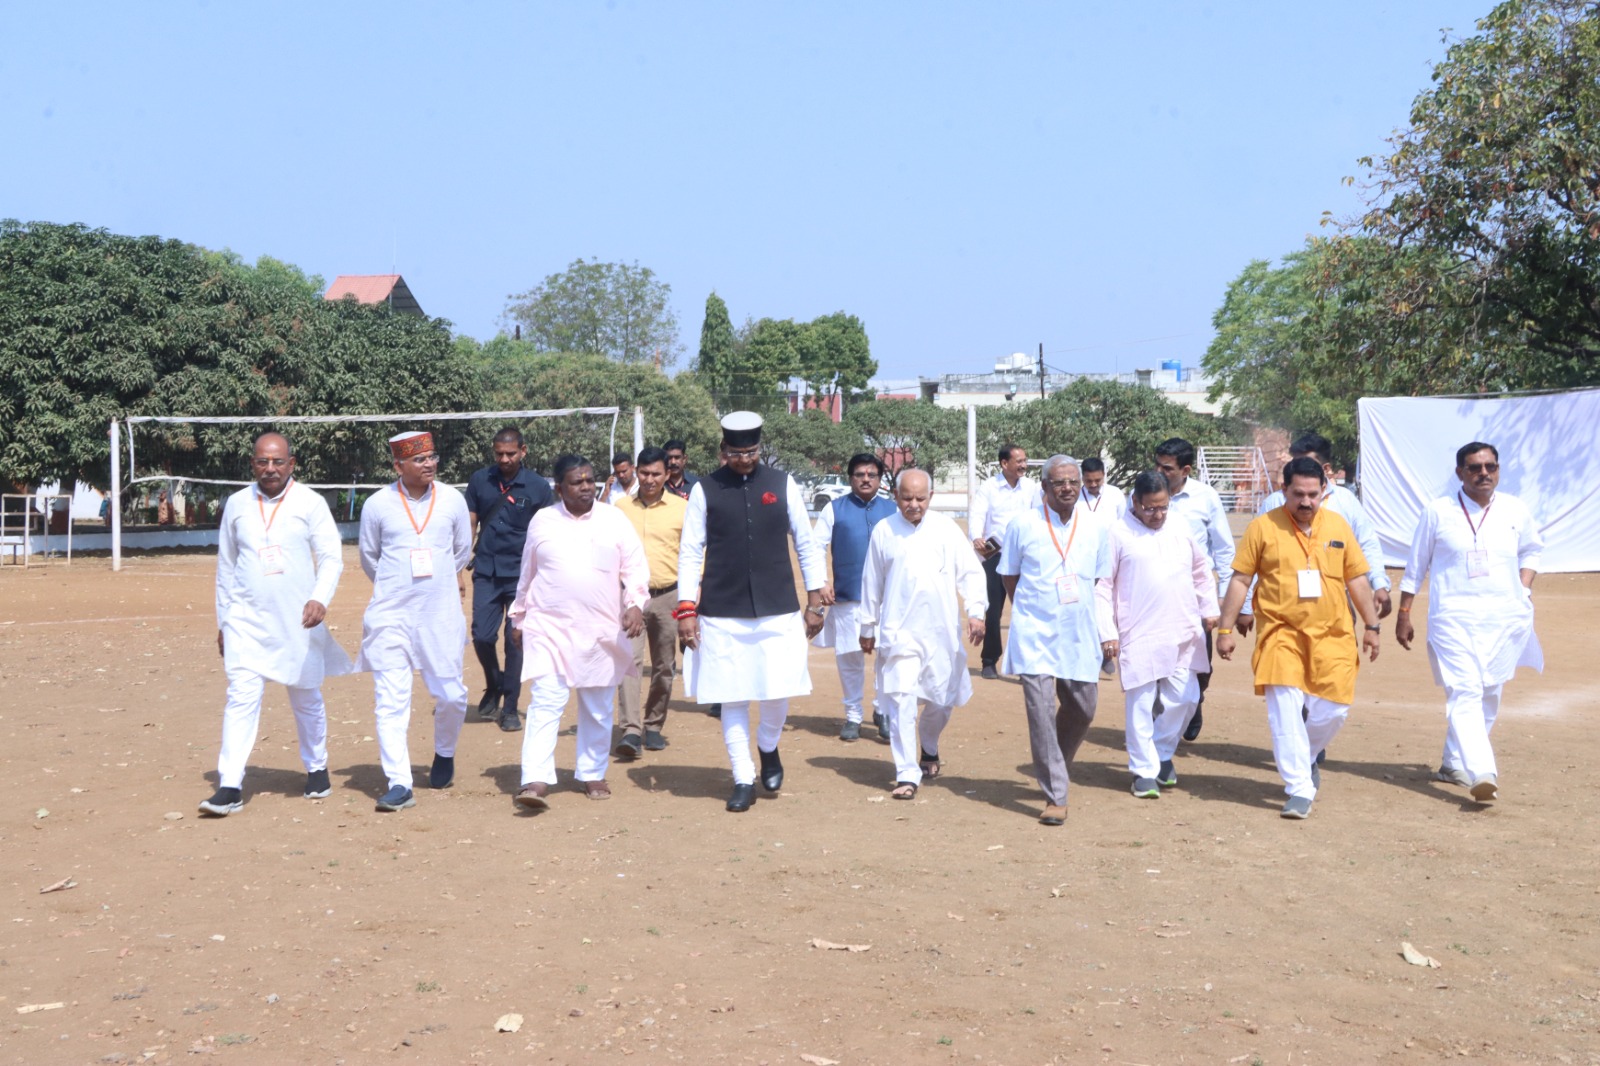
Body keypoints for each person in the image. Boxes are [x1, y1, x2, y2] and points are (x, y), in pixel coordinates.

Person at [1214, 457, 1382, 819]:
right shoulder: (1262, 528)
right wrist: (1225, 629)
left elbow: (1356, 578)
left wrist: (1372, 626)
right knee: (1286, 709)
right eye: (1298, 494)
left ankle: (1304, 757)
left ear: (1324, 491)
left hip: (1333, 633)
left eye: (1313, 495)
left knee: (1334, 710)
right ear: (1283, 490)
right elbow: (1241, 580)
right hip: (1280, 632)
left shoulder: (1338, 525)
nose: (1306, 502)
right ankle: (1299, 788)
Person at [676, 412, 826, 813]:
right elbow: (690, 552)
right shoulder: (705, 490)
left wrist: (815, 600)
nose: (745, 460)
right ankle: (743, 777)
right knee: (732, 696)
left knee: (778, 690)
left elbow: (806, 543)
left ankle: (768, 746)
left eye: (752, 452)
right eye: (737, 453)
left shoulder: (782, 483)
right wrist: (686, 609)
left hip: (778, 607)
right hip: (721, 610)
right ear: (723, 450)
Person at [199, 433, 352, 816]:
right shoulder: (237, 504)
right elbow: (226, 567)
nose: (270, 469)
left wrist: (320, 598)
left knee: (305, 697)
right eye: (262, 462)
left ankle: (317, 768)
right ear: (252, 463)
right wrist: (224, 620)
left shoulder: (310, 502)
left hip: (297, 621)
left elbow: (331, 557)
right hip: (246, 621)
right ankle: (230, 785)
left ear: (291, 463)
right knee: (241, 697)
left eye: (278, 462)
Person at [1396, 442, 1542, 804]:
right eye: (1475, 468)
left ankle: (1452, 763)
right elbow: (1416, 566)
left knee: (1490, 692)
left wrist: (1523, 587)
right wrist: (1404, 613)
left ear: (1498, 470)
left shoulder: (1515, 509)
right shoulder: (1438, 511)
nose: (1484, 473)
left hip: (1503, 619)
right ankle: (1482, 771)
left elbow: (1532, 550)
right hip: (1452, 618)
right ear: (1460, 472)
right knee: (1465, 690)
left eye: (1490, 466)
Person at [507, 455, 648, 810]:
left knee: (598, 706)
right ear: (559, 488)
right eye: (576, 482)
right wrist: (519, 616)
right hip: (549, 626)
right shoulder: (543, 520)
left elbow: (635, 567)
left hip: (600, 627)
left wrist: (634, 604)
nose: (586, 487)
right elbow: (528, 572)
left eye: (589, 480)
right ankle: (535, 778)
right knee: (546, 700)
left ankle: (592, 772)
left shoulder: (614, 519)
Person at [355, 431, 474, 812]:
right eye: (419, 460)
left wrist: (434, 582)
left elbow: (462, 550)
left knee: (451, 694)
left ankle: (444, 752)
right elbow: (369, 556)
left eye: (432, 457)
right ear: (398, 466)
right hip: (391, 614)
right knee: (390, 701)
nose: (429, 464)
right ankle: (399, 782)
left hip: (440, 614)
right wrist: (398, 585)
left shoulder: (453, 499)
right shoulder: (377, 504)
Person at [858, 469, 987, 798]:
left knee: (941, 702)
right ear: (895, 496)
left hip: (941, 633)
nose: (913, 504)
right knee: (901, 698)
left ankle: (929, 745)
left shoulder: (946, 529)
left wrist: (976, 611)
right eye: (906, 498)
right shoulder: (884, 531)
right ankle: (906, 773)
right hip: (899, 632)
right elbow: (871, 583)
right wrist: (867, 626)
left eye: (920, 498)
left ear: (931, 497)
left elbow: (971, 572)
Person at [998, 455, 1112, 826]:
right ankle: (1055, 795)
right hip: (1034, 632)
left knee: (1083, 708)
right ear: (1044, 486)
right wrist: (1032, 609)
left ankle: (1056, 764)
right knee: (1042, 712)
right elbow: (1009, 575)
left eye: (1073, 482)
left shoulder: (1095, 526)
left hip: (1078, 632)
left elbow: (1097, 579)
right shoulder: (1023, 525)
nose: (1067, 488)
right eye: (1059, 483)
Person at [1096, 470, 1219, 799]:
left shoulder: (1179, 525)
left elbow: (1200, 570)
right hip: (1138, 630)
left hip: (1182, 626)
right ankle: (1143, 770)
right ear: (1135, 502)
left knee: (1187, 697)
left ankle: (1162, 753)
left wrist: (1209, 608)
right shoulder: (1118, 533)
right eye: (1150, 508)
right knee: (1141, 703)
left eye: (1163, 506)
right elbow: (1102, 586)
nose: (1158, 514)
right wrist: (1107, 632)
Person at [1248, 432, 1392, 624]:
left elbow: (1367, 544)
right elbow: (1253, 559)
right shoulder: (1274, 503)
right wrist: (1245, 607)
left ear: (1326, 469)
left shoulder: (1345, 501)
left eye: (1307, 463)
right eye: (1295, 463)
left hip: (1336, 603)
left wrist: (1379, 583)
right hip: (1284, 607)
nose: (1300, 469)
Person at [464, 427, 554, 733]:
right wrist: (459, 561)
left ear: (523, 451)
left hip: (522, 576)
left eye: (511, 453)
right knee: (481, 635)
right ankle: (495, 683)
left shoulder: (538, 487)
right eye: (499, 454)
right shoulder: (480, 480)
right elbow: (471, 523)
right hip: (486, 571)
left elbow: (547, 534)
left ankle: (511, 707)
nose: (504, 459)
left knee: (515, 642)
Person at [813, 452, 898, 741]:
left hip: (888, 598)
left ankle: (882, 710)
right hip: (848, 596)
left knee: (886, 655)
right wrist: (821, 583)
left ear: (880, 479)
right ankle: (853, 715)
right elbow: (815, 547)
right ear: (850, 478)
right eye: (859, 475)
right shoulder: (834, 509)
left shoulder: (893, 510)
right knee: (849, 657)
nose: (865, 479)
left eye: (871, 475)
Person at [1154, 437, 1233, 741]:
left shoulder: (1206, 497)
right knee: (1156, 658)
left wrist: (1224, 596)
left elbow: (1223, 549)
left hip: (1195, 594)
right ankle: (1160, 718)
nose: (1160, 472)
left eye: (1167, 468)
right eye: (1157, 465)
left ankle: (1195, 699)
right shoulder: (1143, 492)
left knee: (1200, 660)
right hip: (1153, 592)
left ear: (1185, 470)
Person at [614, 447, 687, 758]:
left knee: (664, 665)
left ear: (667, 474)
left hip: (668, 595)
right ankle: (631, 730)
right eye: (644, 473)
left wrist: (694, 595)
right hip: (630, 598)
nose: (649, 479)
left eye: (656, 474)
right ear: (636, 472)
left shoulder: (682, 509)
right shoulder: (619, 509)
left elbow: (695, 553)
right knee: (629, 662)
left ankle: (653, 724)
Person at [970, 444, 1041, 679]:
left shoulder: (1031, 487)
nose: (1023, 465)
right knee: (993, 611)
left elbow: (1039, 514)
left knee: (1026, 611)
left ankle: (1025, 665)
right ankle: (989, 660)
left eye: (1025, 460)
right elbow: (977, 514)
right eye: (1019, 461)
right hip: (995, 554)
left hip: (1024, 556)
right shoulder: (989, 487)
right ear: (1004, 463)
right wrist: (976, 536)